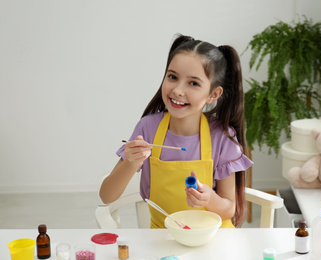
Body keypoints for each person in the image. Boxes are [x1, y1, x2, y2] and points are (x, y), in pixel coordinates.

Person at [99, 34, 253, 228]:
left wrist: (209, 199)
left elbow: (229, 209)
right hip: (162, 237)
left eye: (194, 83)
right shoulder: (147, 128)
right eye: (173, 77)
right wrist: (131, 163)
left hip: (213, 239)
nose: (178, 90)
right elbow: (106, 196)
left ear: (213, 94)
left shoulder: (221, 137)